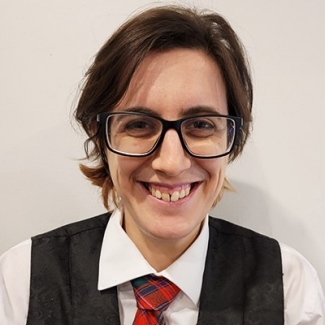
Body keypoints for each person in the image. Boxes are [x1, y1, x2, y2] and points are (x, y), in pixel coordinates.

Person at [0, 5, 324, 325]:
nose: (171, 163)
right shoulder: (20, 282)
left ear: (232, 140)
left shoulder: (289, 290)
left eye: (201, 124)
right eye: (139, 125)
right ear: (101, 138)